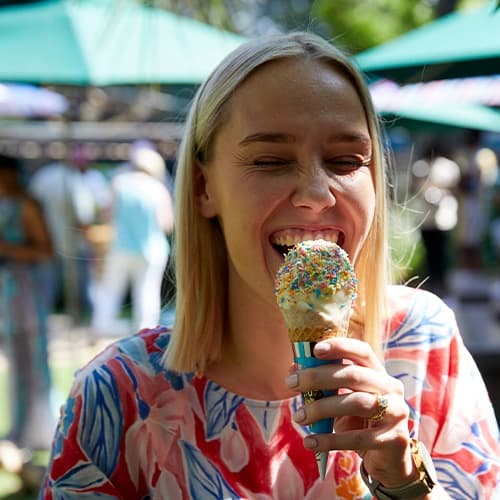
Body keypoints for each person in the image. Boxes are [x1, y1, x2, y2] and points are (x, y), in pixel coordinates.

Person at [41, 32, 500, 498]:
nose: (317, 193)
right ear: (203, 188)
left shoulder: (424, 346)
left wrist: (407, 484)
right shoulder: (118, 397)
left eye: (346, 159)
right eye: (270, 161)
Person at [0, 154, 55, 458]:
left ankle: (40, 431)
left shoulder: (27, 205)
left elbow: (46, 251)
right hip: (8, 296)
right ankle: (20, 428)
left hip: (28, 295)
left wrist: (8, 249)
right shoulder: (5, 204)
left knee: (33, 361)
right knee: (16, 362)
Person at [90, 146, 174, 335]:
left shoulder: (119, 183)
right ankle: (145, 331)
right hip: (151, 249)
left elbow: (106, 214)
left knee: (111, 289)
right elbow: (167, 223)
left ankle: (100, 327)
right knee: (147, 292)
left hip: (121, 247)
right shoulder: (158, 188)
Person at [29, 146, 96, 323]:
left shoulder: (42, 176)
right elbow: (84, 217)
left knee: (46, 288)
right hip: (71, 243)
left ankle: (43, 321)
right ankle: (84, 322)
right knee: (81, 286)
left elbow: (31, 208)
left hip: (45, 242)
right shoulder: (74, 180)